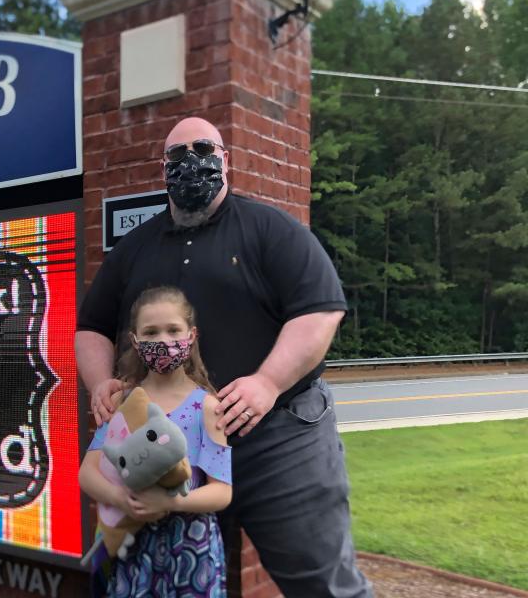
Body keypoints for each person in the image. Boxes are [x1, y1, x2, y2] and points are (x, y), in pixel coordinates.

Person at [76, 117, 373, 597]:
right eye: (177, 154)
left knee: (321, 582)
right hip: (174, 448)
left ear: (224, 160)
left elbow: (320, 311)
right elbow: (90, 327)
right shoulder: (135, 248)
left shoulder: (270, 229)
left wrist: (267, 382)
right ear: (162, 168)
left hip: (277, 438)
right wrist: (99, 383)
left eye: (203, 147)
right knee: (179, 579)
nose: (190, 160)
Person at [79, 286, 231, 598]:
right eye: (150, 332)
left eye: (173, 330)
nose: (162, 340)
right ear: (135, 341)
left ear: (191, 335)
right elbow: (87, 473)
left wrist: (171, 502)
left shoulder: (208, 407)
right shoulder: (123, 400)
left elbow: (222, 491)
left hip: (190, 548)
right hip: (130, 545)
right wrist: (121, 499)